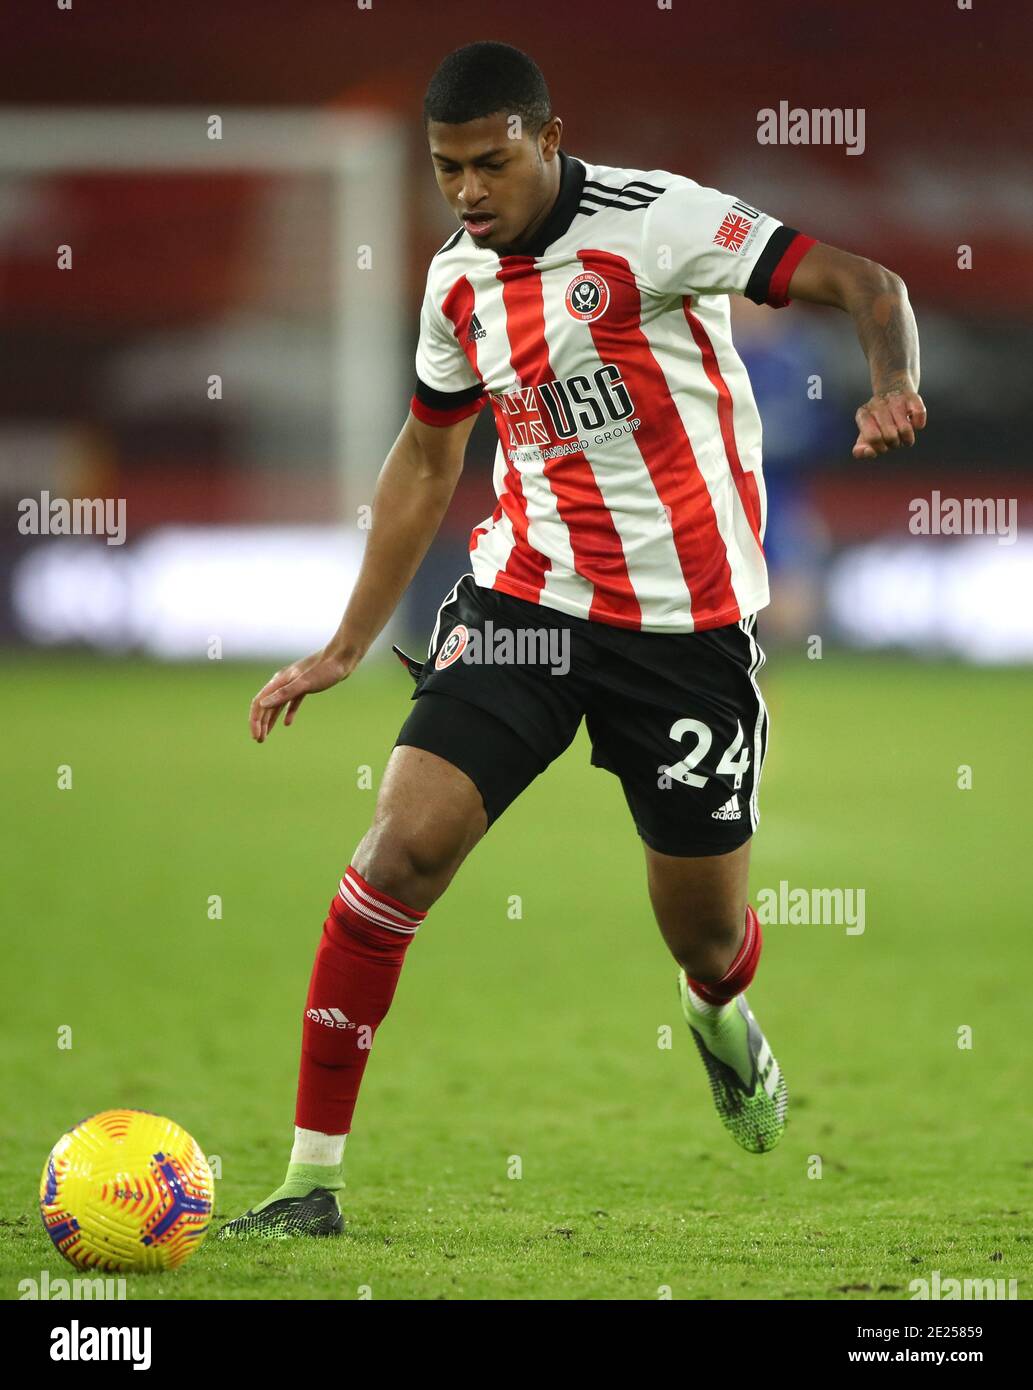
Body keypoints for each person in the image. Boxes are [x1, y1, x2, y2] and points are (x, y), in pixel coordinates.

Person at [221, 41, 925, 1238]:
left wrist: (888, 381)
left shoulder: (661, 224)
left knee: (703, 934)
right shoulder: (456, 285)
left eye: (489, 162)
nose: (467, 191)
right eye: (447, 170)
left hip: (684, 633)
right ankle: (307, 1181)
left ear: (549, 137)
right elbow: (429, 457)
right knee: (400, 851)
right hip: (524, 607)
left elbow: (868, 282)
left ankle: (715, 1012)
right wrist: (347, 642)